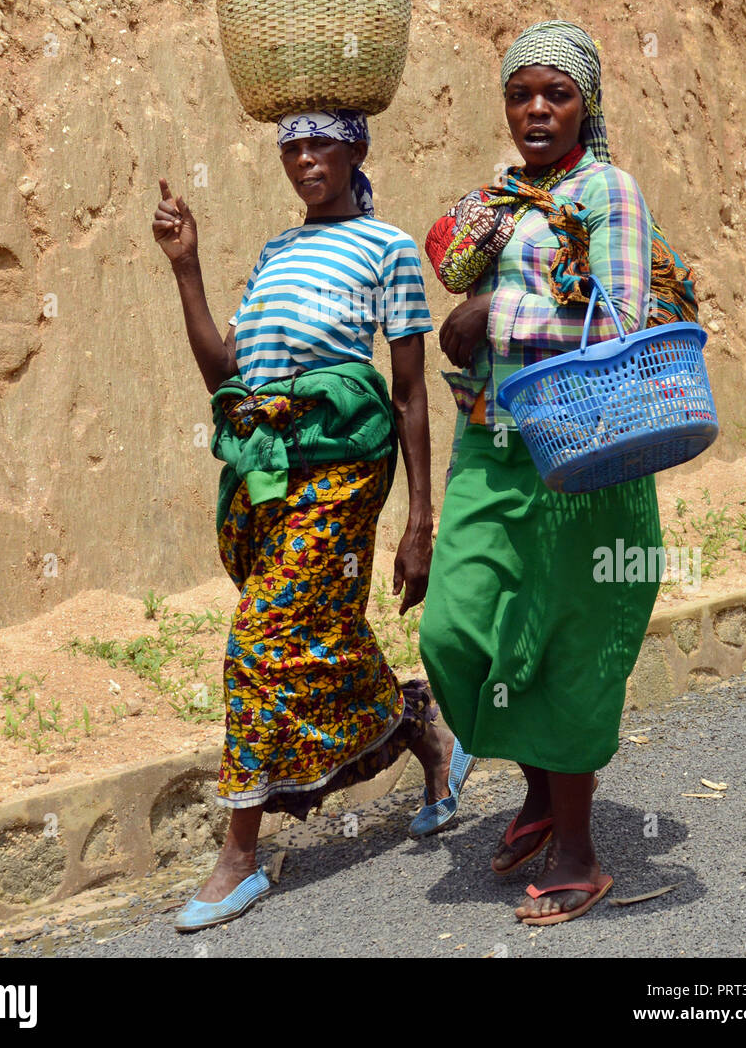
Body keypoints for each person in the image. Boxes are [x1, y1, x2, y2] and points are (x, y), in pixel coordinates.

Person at [152, 109, 472, 932]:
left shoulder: (388, 249)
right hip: (264, 475)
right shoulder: (276, 252)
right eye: (290, 146)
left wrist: (419, 521)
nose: (302, 158)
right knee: (313, 634)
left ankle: (239, 856)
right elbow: (226, 373)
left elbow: (407, 395)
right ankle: (422, 733)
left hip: (344, 466)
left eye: (319, 142)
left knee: (257, 641)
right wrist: (187, 269)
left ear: (356, 148)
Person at [419, 20, 665, 926]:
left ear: (585, 104)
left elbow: (626, 323)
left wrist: (499, 315)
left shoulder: (611, 192)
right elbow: (448, 263)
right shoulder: (502, 196)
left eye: (554, 94)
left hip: (586, 449)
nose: (534, 109)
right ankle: (535, 789)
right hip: (491, 441)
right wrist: (481, 244)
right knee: (458, 630)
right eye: (520, 93)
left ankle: (579, 851)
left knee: (561, 644)